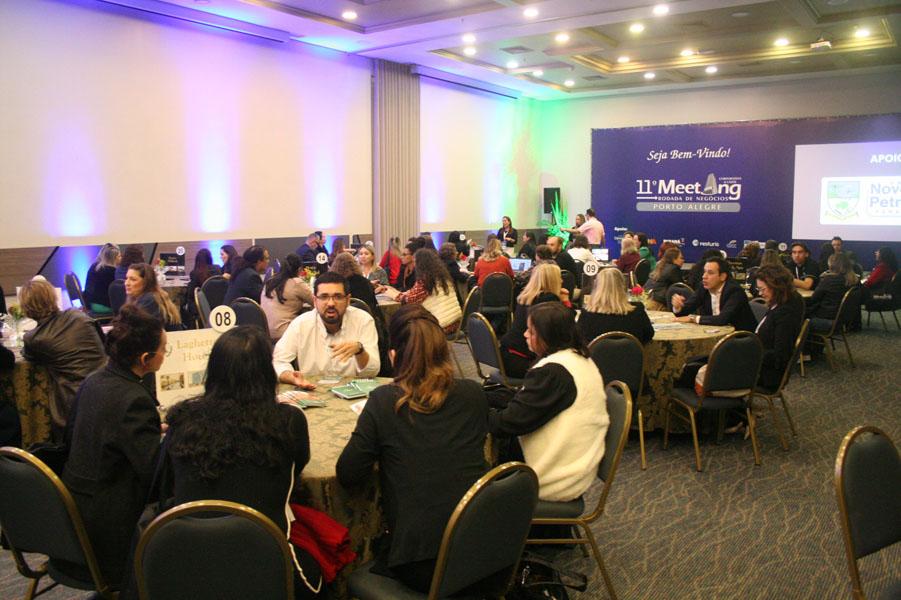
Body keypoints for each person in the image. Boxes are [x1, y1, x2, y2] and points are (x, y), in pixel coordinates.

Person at [162, 327, 323, 598]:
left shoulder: (182, 418)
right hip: (264, 564)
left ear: (213, 370)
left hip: (184, 562)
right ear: (266, 373)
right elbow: (299, 465)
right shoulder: (288, 421)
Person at [336, 305, 488, 593]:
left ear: (393, 357)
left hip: (424, 563)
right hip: (483, 550)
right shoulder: (474, 394)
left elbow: (349, 474)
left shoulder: (384, 401)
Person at [61, 305, 165, 587]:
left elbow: (74, 439)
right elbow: (155, 475)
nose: (165, 355)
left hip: (71, 521)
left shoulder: (93, 382)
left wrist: (151, 430)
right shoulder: (134, 399)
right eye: (163, 350)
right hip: (112, 536)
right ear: (145, 359)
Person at [488, 302, 609, 501]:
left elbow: (509, 423)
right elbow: (527, 400)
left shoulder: (554, 373)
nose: (525, 335)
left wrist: (471, 411)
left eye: (531, 331)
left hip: (554, 478)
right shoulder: (577, 359)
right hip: (573, 464)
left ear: (548, 336)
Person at [21, 278, 106, 434]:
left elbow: (28, 357)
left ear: (26, 308)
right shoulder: (78, 315)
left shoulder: (34, 339)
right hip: (109, 388)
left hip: (76, 403)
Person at [273, 271, 379, 384]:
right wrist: (292, 378)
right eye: (324, 297)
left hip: (355, 394)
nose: (331, 303)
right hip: (311, 393)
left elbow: (372, 372)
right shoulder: (301, 324)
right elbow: (279, 361)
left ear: (348, 300)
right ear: (314, 301)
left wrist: (360, 351)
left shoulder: (363, 320)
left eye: (338, 297)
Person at [499, 263, 567, 379]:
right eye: (559, 277)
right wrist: (566, 302)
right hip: (525, 363)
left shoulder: (525, 297)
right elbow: (566, 324)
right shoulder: (548, 299)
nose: (561, 280)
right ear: (552, 280)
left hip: (505, 357)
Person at [384, 249, 462, 333]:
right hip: (455, 321)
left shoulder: (425, 280)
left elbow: (409, 300)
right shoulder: (443, 277)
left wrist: (391, 294)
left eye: (415, 262)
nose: (414, 265)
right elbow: (416, 293)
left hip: (440, 325)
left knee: (401, 323)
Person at [754, 265, 804, 390]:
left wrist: (748, 354)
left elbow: (780, 355)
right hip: (761, 363)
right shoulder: (785, 301)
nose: (760, 293)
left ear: (776, 287)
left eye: (762, 289)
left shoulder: (785, 312)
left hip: (767, 375)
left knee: (711, 369)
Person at [672, 256, 756, 331]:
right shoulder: (703, 287)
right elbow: (684, 312)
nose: (704, 276)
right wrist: (678, 307)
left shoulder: (734, 291)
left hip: (741, 338)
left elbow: (722, 319)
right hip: (715, 333)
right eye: (704, 272)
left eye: (710, 273)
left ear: (722, 276)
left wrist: (693, 318)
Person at [580, 268, 654, 344]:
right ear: (623, 285)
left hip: (595, 355)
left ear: (597, 286)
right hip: (631, 354)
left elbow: (580, 339)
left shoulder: (587, 314)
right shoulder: (637, 310)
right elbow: (649, 335)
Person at [261, 253, 314, 340]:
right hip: (286, 334)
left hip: (265, 332)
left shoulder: (269, 282)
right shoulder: (296, 283)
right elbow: (316, 302)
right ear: (300, 269)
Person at [806, 253, 859, 333]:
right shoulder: (854, 280)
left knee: (796, 317)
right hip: (843, 321)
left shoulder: (829, 280)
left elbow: (814, 299)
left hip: (826, 320)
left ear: (831, 265)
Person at [124, 263, 182, 329]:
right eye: (126, 278)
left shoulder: (150, 300)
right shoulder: (136, 298)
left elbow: (134, 329)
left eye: (133, 279)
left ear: (146, 282)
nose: (126, 283)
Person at [331, 252, 380, 317]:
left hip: (339, 318)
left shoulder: (333, 283)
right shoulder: (364, 282)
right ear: (354, 264)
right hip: (365, 317)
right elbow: (374, 305)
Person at [183, 248, 221, 325]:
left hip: (202, 307)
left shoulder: (195, 273)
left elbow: (192, 294)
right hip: (219, 306)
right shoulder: (218, 269)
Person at [84, 243, 120, 314]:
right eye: (119, 256)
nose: (121, 258)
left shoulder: (94, 266)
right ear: (113, 258)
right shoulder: (110, 271)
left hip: (91, 303)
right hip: (102, 306)